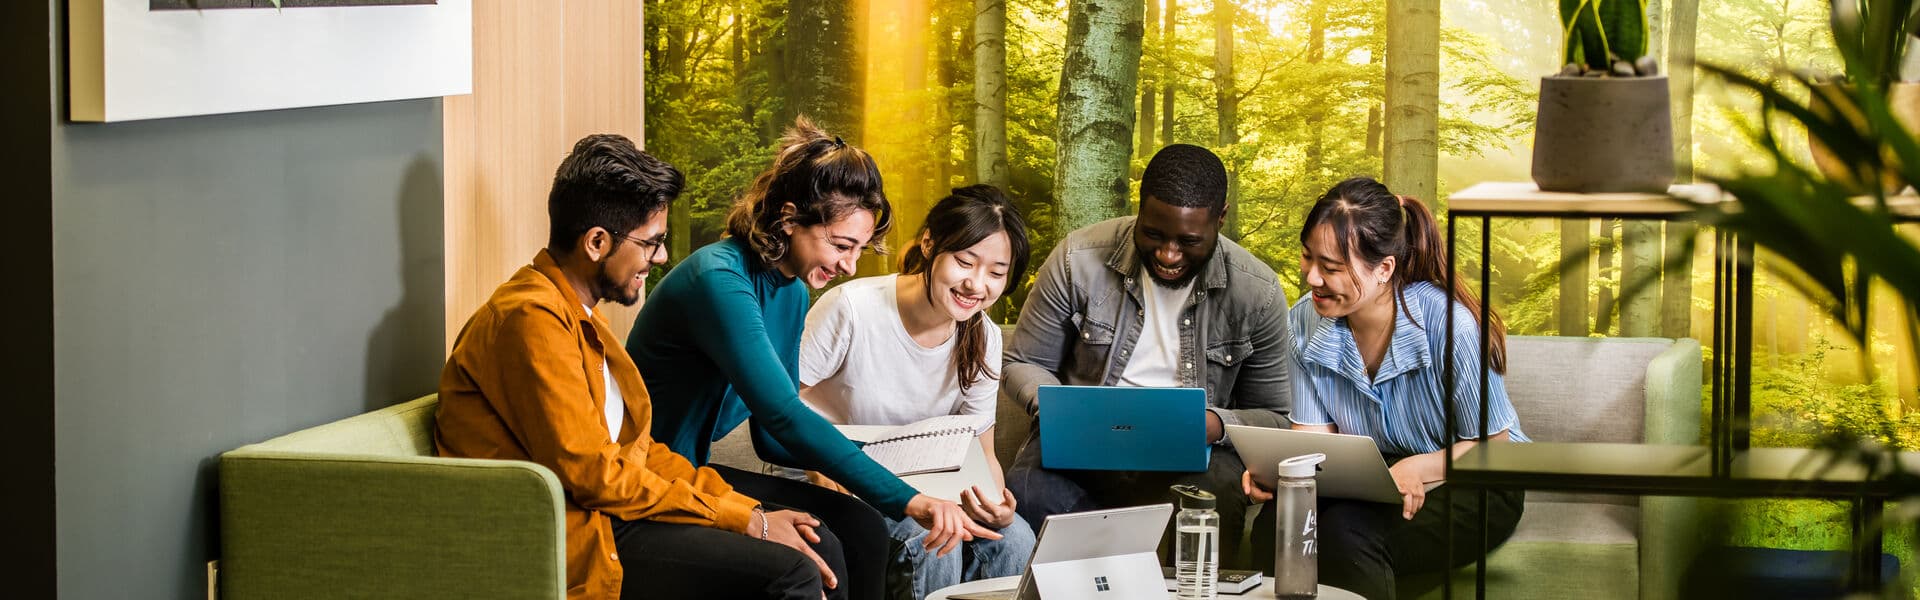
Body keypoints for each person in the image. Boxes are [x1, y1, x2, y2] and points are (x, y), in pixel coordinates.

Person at [436, 134, 844, 600]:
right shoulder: (530, 320)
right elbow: (595, 477)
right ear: (596, 242)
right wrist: (744, 520)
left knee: (818, 538)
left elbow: (639, 452)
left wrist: (744, 508)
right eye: (651, 243)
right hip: (578, 537)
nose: (662, 257)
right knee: (791, 571)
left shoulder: (581, 317)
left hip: (610, 515)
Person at [626, 118, 999, 600]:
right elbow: (782, 417)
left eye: (860, 250)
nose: (849, 265)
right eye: (842, 246)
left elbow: (767, 439)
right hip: (650, 479)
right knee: (821, 540)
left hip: (693, 470)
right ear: (789, 219)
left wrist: (883, 464)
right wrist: (907, 497)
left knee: (861, 524)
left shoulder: (793, 291)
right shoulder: (719, 280)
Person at [1001, 143, 1294, 569]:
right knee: (1029, 487)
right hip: (1081, 448)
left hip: (1194, 458)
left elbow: (1275, 415)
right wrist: (1054, 405)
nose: (1169, 255)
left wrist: (1211, 425)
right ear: (1140, 209)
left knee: (1216, 492)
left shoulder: (1258, 292)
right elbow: (1021, 362)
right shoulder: (1076, 259)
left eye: (1189, 241)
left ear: (1221, 218)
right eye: (1154, 234)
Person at [1242, 176, 1528, 600]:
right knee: (1279, 524)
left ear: (1384, 268)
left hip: (1477, 477)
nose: (1312, 279)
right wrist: (1285, 474)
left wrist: (1419, 469)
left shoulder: (1449, 324)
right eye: (1307, 258)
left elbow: (1494, 447)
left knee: (1346, 534)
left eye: (1332, 268)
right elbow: (1317, 441)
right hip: (1380, 471)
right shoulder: (1303, 320)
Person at [796, 185, 1039, 600]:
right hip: (837, 476)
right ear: (929, 244)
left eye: (997, 273)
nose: (976, 285)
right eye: (965, 262)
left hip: (930, 485)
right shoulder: (852, 308)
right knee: (934, 542)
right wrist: (823, 471)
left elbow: (983, 450)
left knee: (1015, 537)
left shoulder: (984, 335)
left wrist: (998, 504)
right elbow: (781, 407)